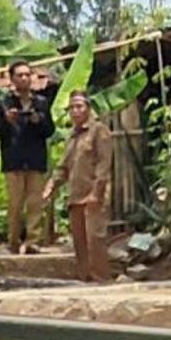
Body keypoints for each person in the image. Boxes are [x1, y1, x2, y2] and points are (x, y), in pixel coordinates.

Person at [44, 91, 113, 282]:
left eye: (79, 106)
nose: (75, 111)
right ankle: (85, 280)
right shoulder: (72, 136)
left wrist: (97, 192)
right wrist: (52, 185)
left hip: (93, 195)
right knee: (80, 243)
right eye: (72, 108)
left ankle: (101, 279)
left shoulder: (99, 131)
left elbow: (104, 164)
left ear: (88, 108)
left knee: (95, 240)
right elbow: (63, 166)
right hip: (76, 196)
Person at [0, 61, 55, 255]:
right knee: (15, 205)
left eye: (28, 75)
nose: (25, 78)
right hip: (14, 161)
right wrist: (6, 121)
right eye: (20, 75)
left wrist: (39, 121)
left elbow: (50, 130)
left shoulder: (41, 103)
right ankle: (13, 242)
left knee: (36, 204)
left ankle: (33, 242)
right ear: (12, 79)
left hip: (35, 160)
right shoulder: (4, 103)